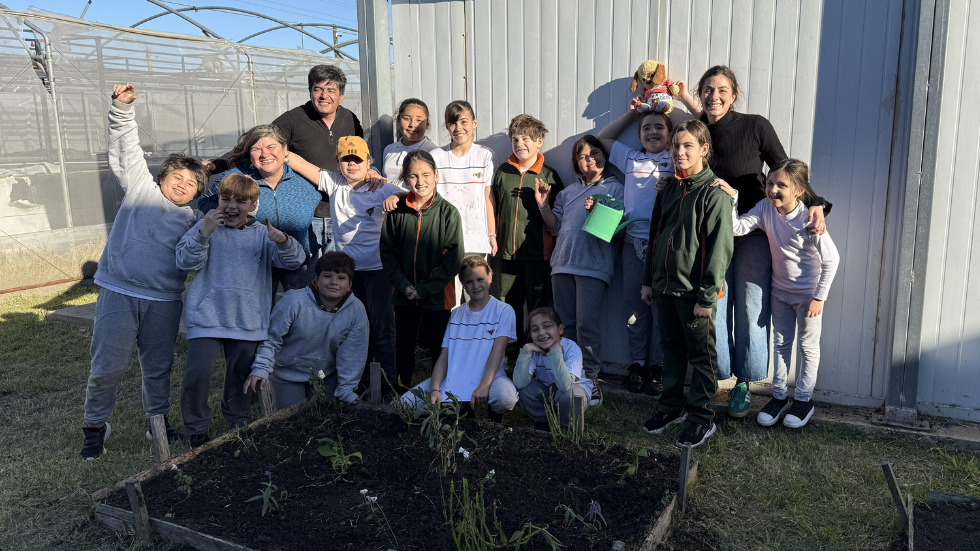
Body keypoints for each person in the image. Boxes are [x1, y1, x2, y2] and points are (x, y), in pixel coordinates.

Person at [671, 66, 831, 418]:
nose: (715, 96)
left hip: (753, 232)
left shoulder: (755, 125)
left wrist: (815, 203)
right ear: (700, 94)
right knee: (713, 306)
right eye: (708, 89)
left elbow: (783, 167)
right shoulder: (700, 132)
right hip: (710, 234)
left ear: (734, 94)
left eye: (723, 90)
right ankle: (718, 377)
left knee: (751, 308)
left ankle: (745, 383)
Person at [80, 84, 209, 460]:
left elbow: (190, 261)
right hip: (118, 293)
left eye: (191, 184)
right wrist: (121, 110)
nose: (183, 186)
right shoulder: (140, 189)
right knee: (107, 367)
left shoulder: (196, 220)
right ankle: (94, 426)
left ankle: (157, 423)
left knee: (158, 367)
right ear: (162, 178)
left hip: (164, 301)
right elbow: (126, 150)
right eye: (178, 179)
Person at [176, 174, 305, 447]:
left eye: (241, 201)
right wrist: (204, 233)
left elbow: (295, 260)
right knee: (196, 375)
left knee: (241, 377)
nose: (232, 207)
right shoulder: (204, 227)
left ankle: (237, 420)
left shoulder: (262, 234)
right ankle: (197, 429)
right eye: (226, 199)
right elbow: (185, 261)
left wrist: (283, 240)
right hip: (207, 318)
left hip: (248, 320)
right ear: (218, 201)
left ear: (254, 205)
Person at [715, 159, 840, 428]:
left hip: (808, 297)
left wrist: (819, 297)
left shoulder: (809, 218)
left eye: (781, 185)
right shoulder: (764, 208)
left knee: (808, 348)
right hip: (780, 292)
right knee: (782, 344)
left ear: (799, 190)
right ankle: (780, 397)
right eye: (770, 183)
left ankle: (804, 400)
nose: (773, 190)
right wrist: (734, 198)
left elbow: (832, 260)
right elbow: (738, 228)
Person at [205, 65, 365, 258]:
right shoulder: (293, 119)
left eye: (331, 90)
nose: (324, 96)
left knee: (338, 274)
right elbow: (257, 145)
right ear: (310, 92)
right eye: (318, 89)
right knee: (308, 270)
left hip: (342, 212)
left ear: (341, 96)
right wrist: (215, 165)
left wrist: (371, 171)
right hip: (308, 214)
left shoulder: (350, 119)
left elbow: (360, 155)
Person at [640, 120, 733, 448]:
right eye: (676, 146)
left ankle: (701, 417)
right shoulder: (669, 189)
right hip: (664, 288)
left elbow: (720, 250)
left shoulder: (714, 194)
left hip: (694, 295)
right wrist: (648, 281)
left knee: (701, 356)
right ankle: (671, 406)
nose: (679, 152)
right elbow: (654, 236)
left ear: (704, 150)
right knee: (672, 351)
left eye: (687, 146)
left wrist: (706, 298)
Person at [287, 136, 403, 395]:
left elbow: (405, 195)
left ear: (368, 162)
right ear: (338, 164)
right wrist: (276, 150)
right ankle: (358, 381)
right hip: (348, 274)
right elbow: (298, 162)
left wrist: (396, 198)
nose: (352, 165)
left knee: (382, 328)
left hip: (378, 270)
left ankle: (387, 388)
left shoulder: (381, 187)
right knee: (354, 328)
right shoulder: (334, 183)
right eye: (346, 160)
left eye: (358, 159)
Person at [597, 102, 674, 398]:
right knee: (636, 310)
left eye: (659, 127)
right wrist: (633, 114)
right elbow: (604, 139)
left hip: (664, 246)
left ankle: (657, 366)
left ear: (670, 134)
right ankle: (638, 364)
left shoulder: (676, 159)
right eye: (646, 128)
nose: (652, 132)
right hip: (632, 244)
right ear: (639, 135)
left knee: (661, 311)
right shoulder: (630, 157)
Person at [539, 135, 622, 401]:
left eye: (595, 153)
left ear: (605, 156)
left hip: (593, 266)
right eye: (583, 156)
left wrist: (599, 209)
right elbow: (555, 227)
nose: (590, 159)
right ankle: (567, 376)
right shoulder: (565, 193)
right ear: (576, 162)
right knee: (565, 326)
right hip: (562, 264)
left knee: (586, 325)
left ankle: (591, 378)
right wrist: (543, 205)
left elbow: (616, 230)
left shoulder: (615, 189)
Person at [198, 125, 320, 300]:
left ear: (285, 150)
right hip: (255, 263)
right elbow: (204, 200)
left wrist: (372, 172)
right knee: (257, 315)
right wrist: (223, 212)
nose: (264, 154)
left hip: (299, 263)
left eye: (271, 147)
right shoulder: (236, 178)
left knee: (301, 317)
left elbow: (341, 183)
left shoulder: (305, 180)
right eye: (256, 149)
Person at [380, 149, 464, 390]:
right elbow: (388, 253)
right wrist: (404, 286)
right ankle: (402, 395)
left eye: (426, 174)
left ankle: (440, 395)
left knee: (439, 347)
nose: (420, 181)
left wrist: (425, 289)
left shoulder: (448, 213)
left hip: (437, 296)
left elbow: (453, 258)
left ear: (436, 175)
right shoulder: (396, 212)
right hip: (404, 295)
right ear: (406, 179)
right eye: (413, 176)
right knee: (404, 347)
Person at [244, 252, 370, 409]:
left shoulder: (356, 310)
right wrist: (261, 368)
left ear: (350, 284)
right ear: (316, 279)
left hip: (324, 374)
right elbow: (271, 339)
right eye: (327, 276)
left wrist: (346, 388)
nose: (334, 282)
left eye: (341, 278)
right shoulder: (294, 301)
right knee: (289, 421)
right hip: (286, 373)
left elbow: (352, 354)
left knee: (324, 417)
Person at [491, 115, 565, 379]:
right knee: (507, 305)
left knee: (537, 307)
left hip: (537, 255)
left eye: (525, 138)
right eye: (515, 139)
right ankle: (510, 354)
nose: (519, 144)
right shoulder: (502, 171)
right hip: (505, 254)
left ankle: (538, 357)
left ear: (539, 141)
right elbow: (493, 205)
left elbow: (559, 218)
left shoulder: (549, 175)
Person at [400, 256, 519, 419]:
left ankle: (492, 417)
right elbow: (444, 357)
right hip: (454, 377)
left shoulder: (504, 310)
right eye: (469, 282)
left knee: (506, 398)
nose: (476, 286)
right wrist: (435, 389)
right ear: (463, 283)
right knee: (402, 405)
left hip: (490, 378)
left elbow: (498, 350)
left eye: (480, 279)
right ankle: (461, 408)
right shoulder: (456, 314)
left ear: (490, 277)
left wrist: (484, 385)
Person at [431, 100, 497, 304]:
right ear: (447, 126)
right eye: (452, 123)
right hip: (444, 242)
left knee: (476, 299)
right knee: (450, 301)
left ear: (474, 123)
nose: (458, 128)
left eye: (464, 122)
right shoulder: (436, 156)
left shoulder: (485, 155)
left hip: (476, 239)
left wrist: (492, 234)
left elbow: (488, 197)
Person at [513, 307, 592, 430]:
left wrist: (555, 352)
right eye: (535, 329)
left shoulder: (571, 348)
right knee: (524, 389)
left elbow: (565, 386)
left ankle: (566, 426)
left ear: (560, 329)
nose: (541, 333)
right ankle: (544, 421)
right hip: (549, 392)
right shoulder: (534, 351)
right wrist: (526, 351)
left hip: (574, 393)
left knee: (567, 395)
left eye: (547, 326)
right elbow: (519, 383)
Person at [382, 98, 439, 188]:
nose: (412, 124)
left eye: (419, 120)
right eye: (406, 118)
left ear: (427, 124)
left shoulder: (433, 152)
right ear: (398, 121)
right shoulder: (389, 149)